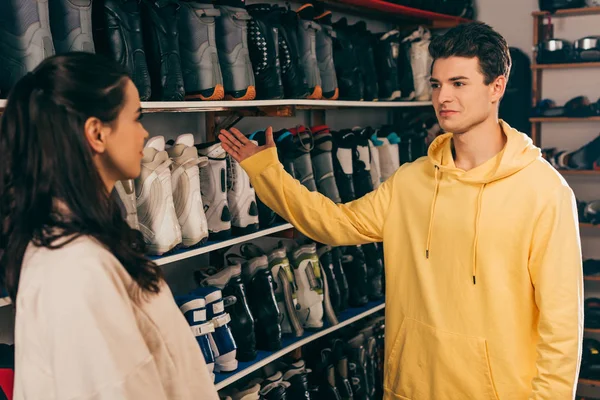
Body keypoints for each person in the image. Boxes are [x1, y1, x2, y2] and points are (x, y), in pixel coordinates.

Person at [219, 22, 583, 399]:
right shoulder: (411, 181)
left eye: (459, 83)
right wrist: (267, 172)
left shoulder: (543, 192)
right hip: (411, 387)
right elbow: (335, 224)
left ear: (497, 87)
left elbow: (562, 328)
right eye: (437, 84)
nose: (443, 97)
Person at [0, 52, 218, 399]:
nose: (144, 133)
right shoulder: (76, 271)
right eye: (135, 118)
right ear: (96, 133)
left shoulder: (81, 245)